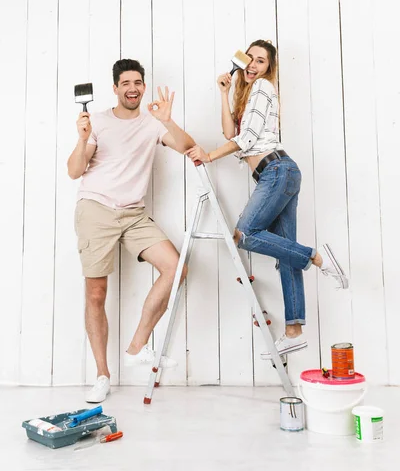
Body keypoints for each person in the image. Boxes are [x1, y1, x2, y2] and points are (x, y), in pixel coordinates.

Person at [185, 39, 349, 360]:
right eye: (250, 59)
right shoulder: (248, 94)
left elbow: (243, 140)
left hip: (276, 170)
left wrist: (209, 156)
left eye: (261, 61)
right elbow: (229, 131)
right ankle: (294, 331)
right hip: (276, 174)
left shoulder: (263, 87)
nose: (253, 66)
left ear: (269, 68)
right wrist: (224, 92)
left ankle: (318, 258)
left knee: (245, 233)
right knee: (284, 253)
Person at [68, 59, 195, 403]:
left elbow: (187, 147)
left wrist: (167, 119)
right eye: (126, 83)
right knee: (96, 294)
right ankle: (102, 375)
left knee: (176, 267)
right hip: (96, 210)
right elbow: (74, 170)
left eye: (138, 82)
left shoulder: (153, 124)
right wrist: (82, 140)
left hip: (135, 215)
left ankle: (137, 346)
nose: (133, 88)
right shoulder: (98, 122)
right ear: (115, 88)